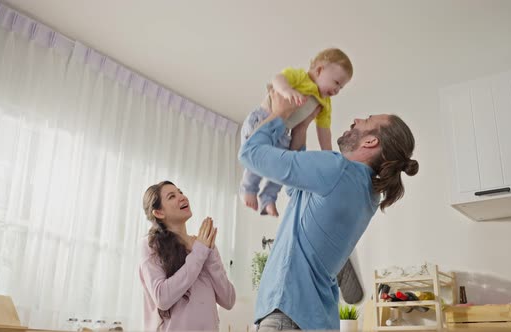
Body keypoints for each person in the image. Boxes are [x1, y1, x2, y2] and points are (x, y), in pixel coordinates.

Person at [238, 90, 419, 331]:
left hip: (287, 314)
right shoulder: (367, 193)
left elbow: (250, 154)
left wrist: (280, 114)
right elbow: (296, 189)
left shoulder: (338, 169)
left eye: (366, 120)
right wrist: (301, 130)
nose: (356, 119)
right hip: (314, 319)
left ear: (370, 141)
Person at [239, 48, 353, 217]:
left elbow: (324, 131)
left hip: (284, 131)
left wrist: (328, 156)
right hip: (263, 119)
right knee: (259, 156)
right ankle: (248, 189)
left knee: (283, 162)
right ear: (319, 70)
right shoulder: (301, 77)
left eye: (341, 88)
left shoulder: (325, 103)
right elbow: (277, 79)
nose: (337, 90)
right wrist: (286, 90)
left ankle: (268, 197)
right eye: (336, 83)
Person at [139, 181, 236, 331]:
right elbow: (162, 298)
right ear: (159, 213)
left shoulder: (203, 245)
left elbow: (229, 300)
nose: (183, 197)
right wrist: (200, 252)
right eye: (172, 196)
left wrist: (208, 254)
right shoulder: (150, 245)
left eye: (180, 192)